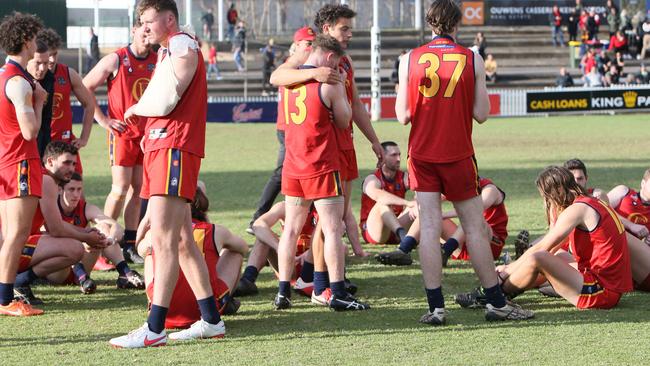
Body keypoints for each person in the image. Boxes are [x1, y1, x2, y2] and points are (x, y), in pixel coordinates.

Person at [395, 0, 533, 325]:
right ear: (457, 24)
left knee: (428, 228)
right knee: (474, 227)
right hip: (457, 155)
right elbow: (481, 115)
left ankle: (436, 308)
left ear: (430, 24)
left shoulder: (408, 60)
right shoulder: (472, 58)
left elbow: (402, 115)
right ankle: (496, 303)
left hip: (422, 155)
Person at [110, 0, 224, 348]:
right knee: (180, 240)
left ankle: (154, 328)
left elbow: (167, 98)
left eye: (149, 21)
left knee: (162, 239)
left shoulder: (180, 44)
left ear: (169, 19)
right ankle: (211, 320)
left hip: (173, 146)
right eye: (141, 22)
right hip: (165, 146)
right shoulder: (174, 45)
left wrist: (136, 109)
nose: (144, 27)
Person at [270, 5, 385, 304]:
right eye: (344, 29)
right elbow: (277, 76)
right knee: (331, 221)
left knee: (334, 219)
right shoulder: (309, 51)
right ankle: (321, 283)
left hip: (339, 147)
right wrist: (316, 75)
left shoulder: (344, 62)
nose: (349, 34)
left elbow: (356, 103)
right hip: (319, 151)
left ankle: (323, 281)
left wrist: (373, 140)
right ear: (327, 29)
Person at [492, 166, 633, 310]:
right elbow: (554, 247)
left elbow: (542, 247)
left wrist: (506, 271)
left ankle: (495, 294)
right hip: (610, 286)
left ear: (555, 193)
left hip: (602, 291)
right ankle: (506, 287)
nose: (547, 202)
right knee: (558, 256)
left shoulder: (577, 209)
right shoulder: (590, 202)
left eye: (547, 197)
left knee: (538, 258)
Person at [83, 19, 157, 265]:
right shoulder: (117, 59)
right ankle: (102, 240)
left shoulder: (157, 60)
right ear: (134, 31)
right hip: (123, 134)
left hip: (146, 135)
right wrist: (103, 120)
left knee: (138, 189)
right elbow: (85, 87)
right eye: (143, 30)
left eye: (150, 30)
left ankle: (129, 243)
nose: (147, 35)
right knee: (120, 188)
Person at [139, 182, 248, 328]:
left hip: (164, 312)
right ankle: (225, 302)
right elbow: (243, 248)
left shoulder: (156, 232)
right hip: (205, 311)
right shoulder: (215, 231)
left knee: (149, 253)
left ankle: (155, 305)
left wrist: (147, 217)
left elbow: (139, 249)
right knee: (234, 254)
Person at [13, 141, 110, 303]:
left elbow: (55, 226)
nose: (71, 168)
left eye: (73, 163)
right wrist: (86, 237)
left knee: (70, 244)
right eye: (66, 162)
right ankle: (19, 282)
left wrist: (86, 232)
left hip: (10, 243)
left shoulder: (42, 176)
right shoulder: (47, 180)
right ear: (50, 161)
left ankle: (18, 282)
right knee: (74, 248)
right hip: (9, 247)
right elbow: (56, 229)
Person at [0, 12, 47, 316]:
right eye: (34, 38)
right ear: (27, 40)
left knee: (10, 234)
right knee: (17, 234)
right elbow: (30, 131)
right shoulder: (20, 83)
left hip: (6, 158)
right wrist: (40, 101)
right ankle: (5, 300)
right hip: (20, 161)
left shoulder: (4, 75)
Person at [247, 26, 315, 233]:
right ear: (297, 45)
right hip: (288, 129)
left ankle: (314, 220)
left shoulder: (306, 66)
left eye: (314, 43)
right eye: (308, 43)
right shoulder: (289, 67)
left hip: (301, 130)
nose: (311, 47)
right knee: (282, 174)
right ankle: (258, 218)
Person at [52, 172, 144, 292]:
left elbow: (116, 227)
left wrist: (109, 239)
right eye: (71, 189)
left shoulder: (85, 208)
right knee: (68, 242)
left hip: (82, 264)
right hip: (57, 271)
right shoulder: (52, 208)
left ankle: (124, 273)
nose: (76, 195)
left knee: (103, 228)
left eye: (79, 190)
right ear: (60, 190)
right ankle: (82, 278)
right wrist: (86, 238)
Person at [237, 201, 317, 298]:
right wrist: (280, 248)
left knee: (339, 247)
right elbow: (257, 225)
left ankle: (329, 283)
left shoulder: (323, 206)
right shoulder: (285, 206)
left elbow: (337, 232)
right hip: (289, 268)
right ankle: (248, 279)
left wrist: (311, 252)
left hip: (316, 265)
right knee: (263, 238)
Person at [42, 28, 94, 174]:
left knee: (76, 192)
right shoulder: (29, 75)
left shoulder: (68, 73)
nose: (52, 59)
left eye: (55, 54)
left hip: (65, 144)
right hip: (41, 145)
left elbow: (89, 104)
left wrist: (84, 138)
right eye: (48, 55)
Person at [361, 142, 421, 266]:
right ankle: (404, 237)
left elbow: (424, 188)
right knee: (382, 203)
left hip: (396, 228)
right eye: (394, 155)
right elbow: (377, 195)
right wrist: (407, 203)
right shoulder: (372, 179)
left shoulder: (403, 176)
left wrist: (417, 201)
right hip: (375, 232)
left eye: (399, 155)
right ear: (382, 157)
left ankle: (414, 239)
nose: (398, 159)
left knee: (421, 203)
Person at [440, 177, 509, 267]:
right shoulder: (462, 186)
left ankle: (447, 249)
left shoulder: (490, 189)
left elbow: (473, 210)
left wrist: (442, 215)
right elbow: (431, 198)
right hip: (466, 245)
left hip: (490, 245)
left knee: (473, 215)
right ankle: (418, 243)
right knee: (428, 216)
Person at [26, 34, 54, 158]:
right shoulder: (15, 79)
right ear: (28, 59)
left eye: (46, 63)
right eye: (38, 63)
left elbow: (46, 118)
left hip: (40, 140)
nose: (43, 68)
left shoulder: (49, 79)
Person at [607, 169, 650, 244]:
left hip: (634, 250)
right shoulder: (623, 192)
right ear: (643, 183)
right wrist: (631, 225)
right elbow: (600, 208)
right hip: (611, 241)